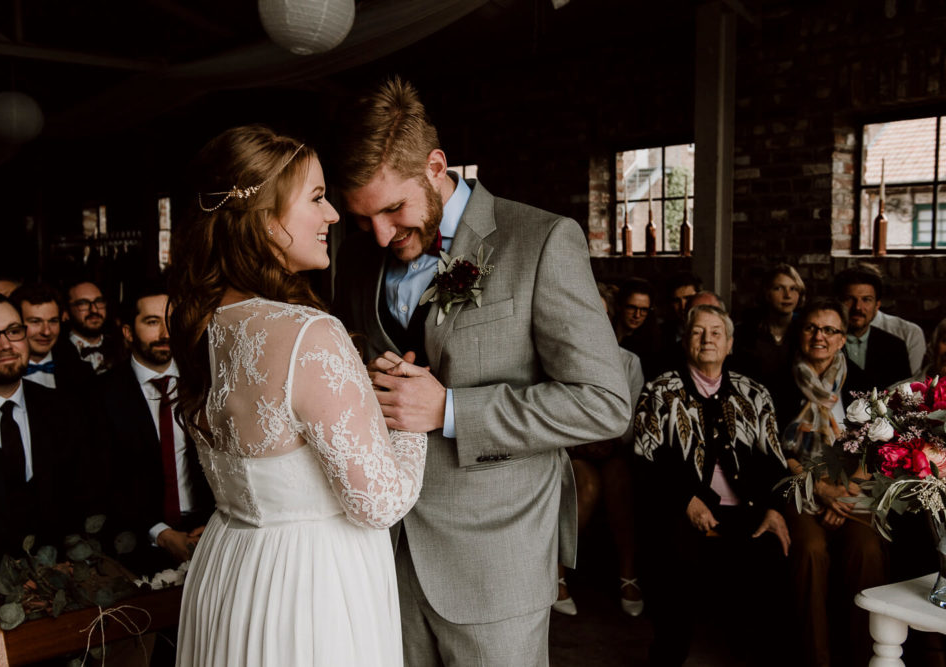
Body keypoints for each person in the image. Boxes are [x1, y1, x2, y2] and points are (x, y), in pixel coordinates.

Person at [332, 77, 631, 666]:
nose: (382, 234)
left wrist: (451, 410)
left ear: (436, 165)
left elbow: (603, 402)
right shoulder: (361, 255)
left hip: (495, 557)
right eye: (364, 219)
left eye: (394, 210)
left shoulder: (540, 240)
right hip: (384, 551)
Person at [169, 125, 427, 666]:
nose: (334, 215)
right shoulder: (310, 334)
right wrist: (409, 417)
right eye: (316, 198)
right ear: (264, 221)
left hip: (231, 565)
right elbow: (379, 502)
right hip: (311, 588)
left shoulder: (206, 324)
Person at [634, 304, 790, 667]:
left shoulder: (754, 394)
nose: (707, 339)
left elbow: (775, 461)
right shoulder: (661, 390)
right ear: (684, 339)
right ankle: (669, 655)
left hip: (749, 510)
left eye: (716, 332)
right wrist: (686, 499)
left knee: (772, 560)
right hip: (682, 509)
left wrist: (773, 509)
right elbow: (645, 459)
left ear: (730, 343)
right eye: (698, 331)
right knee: (673, 566)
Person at [0, 290, 91, 665]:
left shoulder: (62, 411)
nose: (6, 345)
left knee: (130, 620)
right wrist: (6, 579)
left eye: (13, 331)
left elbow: (82, 498)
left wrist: (55, 566)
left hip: (58, 564)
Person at [779, 299, 886, 667]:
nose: (819, 336)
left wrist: (846, 491)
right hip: (801, 490)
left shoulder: (864, 383)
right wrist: (820, 490)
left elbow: (877, 446)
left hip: (852, 493)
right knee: (810, 550)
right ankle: (817, 658)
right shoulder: (777, 380)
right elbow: (774, 449)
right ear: (800, 333)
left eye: (829, 330)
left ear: (843, 339)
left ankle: (865, 656)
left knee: (867, 551)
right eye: (811, 328)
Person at [95, 283, 213, 576]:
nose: (165, 334)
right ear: (127, 332)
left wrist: (214, 521)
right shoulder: (99, 394)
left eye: (171, 322)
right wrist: (159, 532)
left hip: (209, 534)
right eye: (152, 322)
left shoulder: (204, 383)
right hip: (134, 547)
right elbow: (102, 481)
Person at [555, 282, 645, 618]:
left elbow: (631, 416)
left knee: (621, 480)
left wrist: (609, 440)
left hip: (613, 449)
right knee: (588, 486)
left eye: (602, 314)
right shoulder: (560, 357)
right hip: (572, 450)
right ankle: (557, 572)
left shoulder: (628, 362)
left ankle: (628, 574)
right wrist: (580, 441)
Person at [733, 264, 806, 416]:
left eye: (793, 289)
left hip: (797, 413)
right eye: (779, 288)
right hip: (754, 410)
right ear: (766, 293)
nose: (787, 295)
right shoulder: (746, 332)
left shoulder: (806, 331)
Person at [834, 267, 910, 401]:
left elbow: (904, 398)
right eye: (850, 299)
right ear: (838, 302)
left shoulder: (895, 346)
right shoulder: (825, 343)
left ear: (877, 305)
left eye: (866, 299)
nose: (857, 307)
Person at [10, 283, 93, 393]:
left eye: (53, 321)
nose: (46, 331)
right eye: (35, 322)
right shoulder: (2, 371)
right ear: (16, 325)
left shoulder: (82, 372)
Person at [53, 280, 124, 375]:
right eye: (83, 303)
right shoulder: (56, 352)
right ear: (66, 313)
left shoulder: (123, 348)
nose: (94, 309)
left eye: (99, 302)